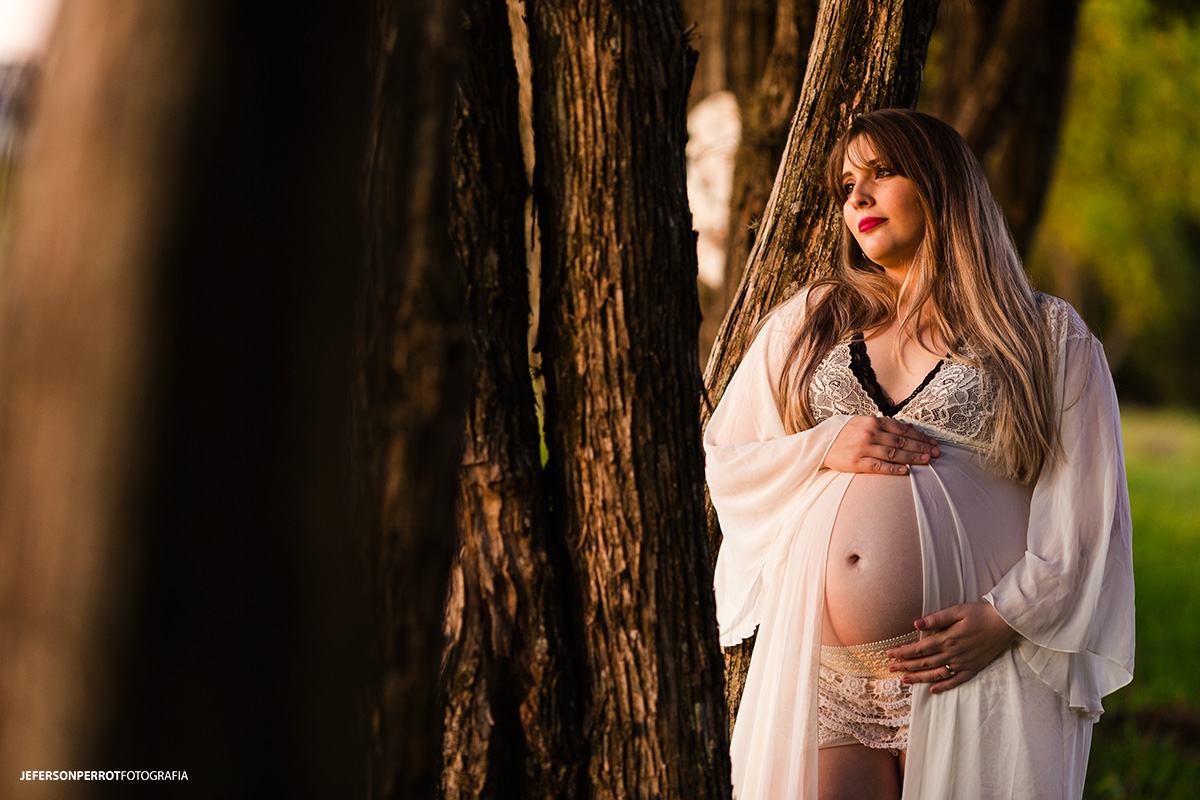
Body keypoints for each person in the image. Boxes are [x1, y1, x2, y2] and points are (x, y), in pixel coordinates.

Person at [704, 109, 1134, 799]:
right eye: (847, 185)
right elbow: (726, 457)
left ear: (941, 186)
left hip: (975, 665)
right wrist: (822, 446)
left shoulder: (1044, 333)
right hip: (828, 681)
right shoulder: (812, 320)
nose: (858, 198)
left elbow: (1089, 510)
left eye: (882, 174)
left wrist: (1005, 618)